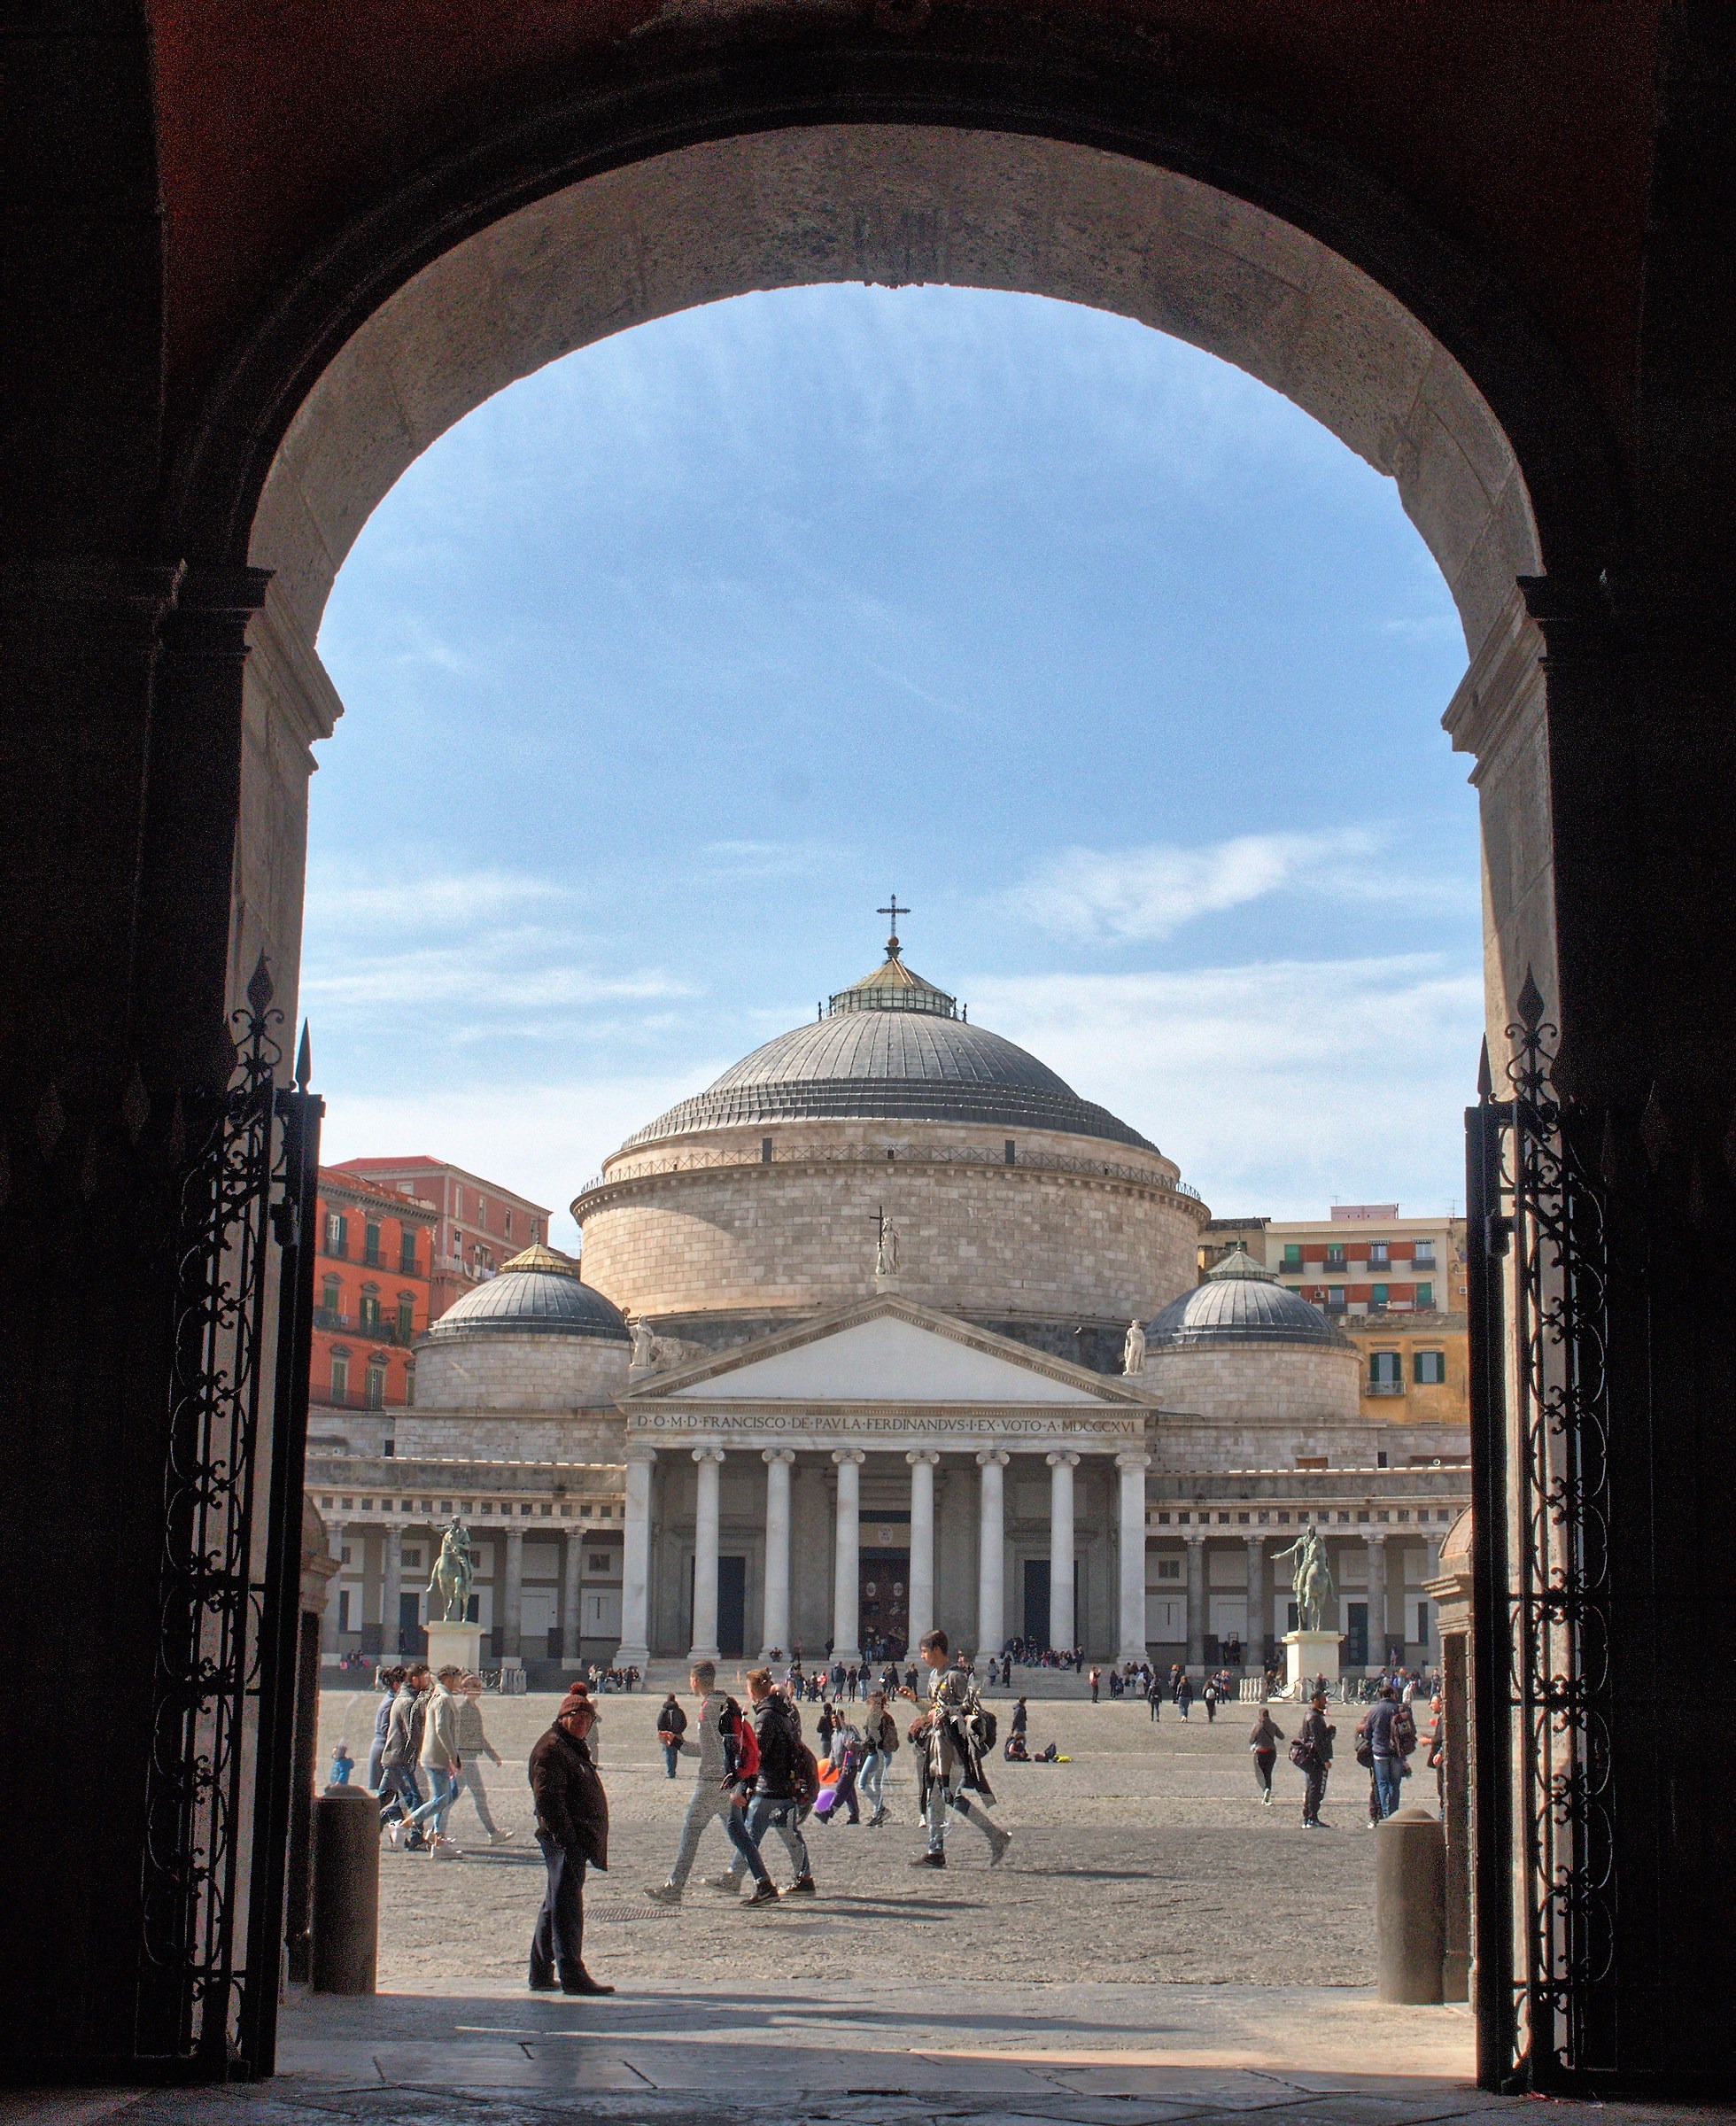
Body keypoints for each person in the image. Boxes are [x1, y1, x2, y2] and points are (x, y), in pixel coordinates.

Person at [645, 1661, 769, 1904]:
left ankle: (674, 1888)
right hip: (727, 1780)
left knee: (691, 1833)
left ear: (695, 1680)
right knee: (739, 1834)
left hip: (712, 1782)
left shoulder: (708, 1708)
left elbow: (709, 1751)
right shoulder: (725, 1703)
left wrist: (677, 1743)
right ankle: (757, 1881)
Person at [899, 1628, 1011, 1871]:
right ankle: (935, 1850)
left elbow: (971, 1710)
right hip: (939, 1746)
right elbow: (933, 1710)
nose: (922, 1657)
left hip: (956, 1747)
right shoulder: (932, 1677)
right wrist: (914, 1702)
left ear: (937, 1650)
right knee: (938, 1797)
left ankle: (994, 1836)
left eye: (925, 1651)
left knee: (947, 1796)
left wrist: (943, 1713)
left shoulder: (955, 1677)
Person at [528, 1688, 614, 1995]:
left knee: (554, 1903)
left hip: (569, 1838)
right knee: (567, 1907)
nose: (581, 1722)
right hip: (563, 1840)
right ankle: (572, 1974)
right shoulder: (552, 1748)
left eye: (586, 1718)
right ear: (562, 1717)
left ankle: (539, 1972)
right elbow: (548, 1797)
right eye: (575, 1716)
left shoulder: (570, 1745)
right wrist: (567, 1838)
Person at [725, 1667, 817, 1902]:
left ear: (752, 1690)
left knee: (749, 1834)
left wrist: (744, 1782)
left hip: (769, 1786)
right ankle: (804, 1878)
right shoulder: (783, 1712)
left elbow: (758, 1755)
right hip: (786, 1783)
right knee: (787, 1832)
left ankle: (738, 1879)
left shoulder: (765, 1716)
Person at [403, 1664, 464, 1852]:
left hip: (433, 1754)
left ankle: (438, 1840)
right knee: (441, 1799)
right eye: (458, 1678)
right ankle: (405, 1824)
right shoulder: (444, 1698)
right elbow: (442, 1728)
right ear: (449, 1678)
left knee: (443, 1797)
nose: (459, 1683)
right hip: (438, 1755)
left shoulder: (436, 1695)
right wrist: (453, 1756)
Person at [453, 1672, 512, 1843]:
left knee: (450, 1798)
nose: (478, 1690)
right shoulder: (464, 1710)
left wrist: (492, 1755)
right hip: (465, 1760)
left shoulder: (472, 1709)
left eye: (479, 1686)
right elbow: (458, 1736)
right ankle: (493, 1832)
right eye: (474, 1687)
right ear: (464, 1690)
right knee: (479, 1796)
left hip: (467, 1758)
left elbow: (480, 1737)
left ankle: (434, 1830)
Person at [381, 1664, 430, 1849]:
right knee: (414, 1798)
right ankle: (416, 1835)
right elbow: (414, 1734)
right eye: (425, 1678)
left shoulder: (404, 1698)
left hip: (394, 1757)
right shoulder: (408, 1702)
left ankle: (371, 1824)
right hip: (401, 1758)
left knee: (387, 1798)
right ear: (415, 1679)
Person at [1360, 1683, 1405, 1824]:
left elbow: (1367, 1733)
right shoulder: (1399, 1709)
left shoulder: (1374, 1710)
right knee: (1395, 1784)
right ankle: (1394, 1811)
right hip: (1396, 1752)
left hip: (1379, 1752)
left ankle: (1386, 1814)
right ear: (1392, 1695)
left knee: (1382, 1783)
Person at [858, 1689, 897, 1827]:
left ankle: (881, 1809)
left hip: (878, 1754)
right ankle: (877, 1816)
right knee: (875, 1783)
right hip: (883, 1754)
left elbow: (875, 1739)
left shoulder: (877, 1716)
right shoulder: (884, 1716)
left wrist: (861, 1744)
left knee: (862, 1783)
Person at [1298, 1690, 1336, 1828]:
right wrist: (1325, 1759)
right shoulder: (1314, 1717)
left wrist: (1328, 1732)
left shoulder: (1312, 1715)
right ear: (1315, 1700)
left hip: (1312, 1756)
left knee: (1311, 1786)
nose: (1325, 1702)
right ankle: (1312, 1817)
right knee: (1316, 1787)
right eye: (1323, 1699)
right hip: (1315, 1758)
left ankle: (1308, 1817)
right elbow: (1317, 1741)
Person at [368, 1666, 401, 1792]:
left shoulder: (390, 1699)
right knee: (386, 1792)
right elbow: (385, 1727)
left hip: (383, 1748)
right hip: (384, 1749)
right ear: (396, 1685)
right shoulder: (391, 1701)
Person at [1248, 1707, 1283, 1804]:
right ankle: (1267, 1792)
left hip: (1260, 1752)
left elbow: (1251, 1740)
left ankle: (1265, 1790)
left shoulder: (1257, 1726)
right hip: (1271, 1752)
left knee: (1260, 1774)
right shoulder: (1273, 1725)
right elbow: (1281, 1736)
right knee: (1268, 1773)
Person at [656, 1691, 687, 1779]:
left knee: (668, 1753)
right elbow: (684, 1723)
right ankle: (673, 1770)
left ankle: (670, 1772)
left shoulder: (664, 1711)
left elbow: (659, 1722)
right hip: (677, 1734)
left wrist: (662, 1732)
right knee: (674, 1754)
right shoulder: (679, 1711)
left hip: (667, 1734)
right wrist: (679, 1731)